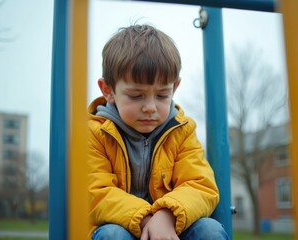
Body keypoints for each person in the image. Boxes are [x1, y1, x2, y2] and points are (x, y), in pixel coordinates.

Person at [88, 24, 229, 240]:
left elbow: (201, 185)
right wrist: (145, 219)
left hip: (171, 225)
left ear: (175, 88)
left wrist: (167, 215)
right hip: (120, 226)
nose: (150, 107)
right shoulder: (96, 133)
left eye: (162, 95)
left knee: (209, 230)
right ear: (109, 91)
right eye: (136, 96)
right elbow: (95, 193)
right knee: (112, 235)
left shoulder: (181, 131)